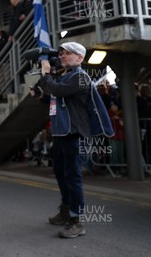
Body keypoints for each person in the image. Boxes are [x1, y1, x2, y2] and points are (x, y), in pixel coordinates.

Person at [35, 42, 112, 239]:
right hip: (61, 133)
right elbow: (55, 97)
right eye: (61, 52)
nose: (62, 55)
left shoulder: (81, 77)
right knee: (61, 173)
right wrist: (40, 94)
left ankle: (78, 220)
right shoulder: (66, 77)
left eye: (67, 53)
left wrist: (46, 74)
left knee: (73, 177)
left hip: (74, 134)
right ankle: (66, 209)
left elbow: (59, 91)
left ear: (79, 58)